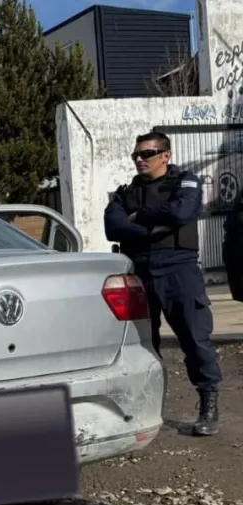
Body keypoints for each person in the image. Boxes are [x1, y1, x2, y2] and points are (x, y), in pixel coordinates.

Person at [104, 131, 222, 436]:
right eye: (136, 155)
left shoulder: (185, 182)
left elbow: (183, 211)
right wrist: (155, 227)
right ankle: (145, 408)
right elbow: (113, 227)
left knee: (195, 340)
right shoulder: (124, 193)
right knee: (141, 345)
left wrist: (140, 216)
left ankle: (208, 402)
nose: (140, 160)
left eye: (147, 154)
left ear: (165, 156)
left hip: (178, 269)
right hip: (138, 271)